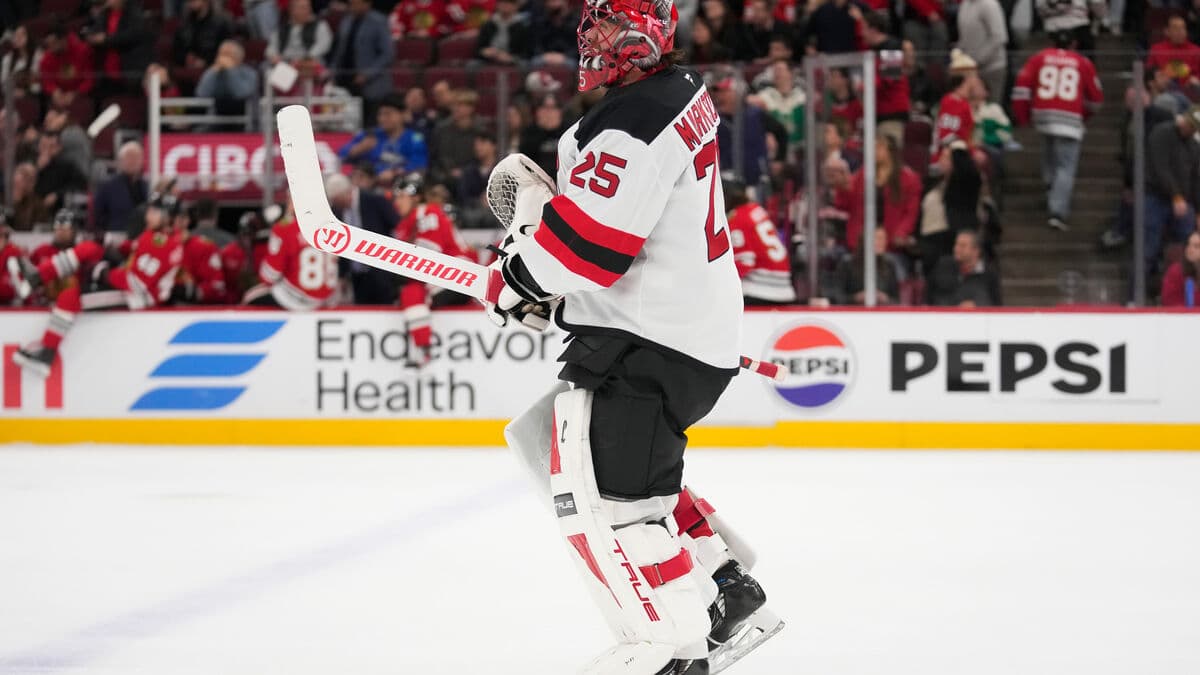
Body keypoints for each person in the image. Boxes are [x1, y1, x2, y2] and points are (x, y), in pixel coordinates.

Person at [483, 0, 781, 670]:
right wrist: (546, 282)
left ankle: (674, 643)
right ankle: (728, 584)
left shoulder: (631, 122)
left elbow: (592, 245)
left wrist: (521, 275)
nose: (591, 36)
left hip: (651, 343)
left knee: (618, 512)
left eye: (608, 25)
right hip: (676, 330)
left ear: (644, 34)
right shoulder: (674, 91)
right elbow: (626, 233)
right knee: (559, 449)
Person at [8, 198, 185, 376]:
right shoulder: (156, 236)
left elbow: (137, 284)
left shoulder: (163, 243)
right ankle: (35, 277)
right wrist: (109, 245)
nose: (148, 215)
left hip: (137, 298)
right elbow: (133, 251)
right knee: (89, 248)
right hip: (129, 285)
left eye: (154, 212)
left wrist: (104, 274)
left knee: (69, 297)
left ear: (168, 217)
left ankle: (47, 353)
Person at [1012, 30, 1103, 231]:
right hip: (1070, 118)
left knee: (1049, 155)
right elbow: (1096, 99)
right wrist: (1083, 116)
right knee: (1066, 167)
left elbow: (1021, 89)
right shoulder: (1082, 62)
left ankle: (1050, 186)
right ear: (1075, 44)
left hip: (1043, 115)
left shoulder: (1038, 58)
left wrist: (1024, 117)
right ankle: (1057, 212)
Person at [391, 173, 475, 366]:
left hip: (460, 275)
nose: (397, 202)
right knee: (411, 290)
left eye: (401, 196)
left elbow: (428, 257)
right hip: (449, 276)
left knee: (412, 292)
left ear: (416, 197)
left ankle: (422, 350)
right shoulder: (407, 223)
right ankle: (422, 348)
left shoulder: (426, 213)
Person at [243, 200, 340, 310]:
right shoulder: (334, 227)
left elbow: (270, 275)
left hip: (292, 298)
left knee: (249, 297)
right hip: (326, 300)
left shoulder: (285, 227)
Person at [1140, 109, 1200, 279]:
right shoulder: (1162, 133)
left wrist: (1198, 211)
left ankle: (1182, 293)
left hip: (1183, 202)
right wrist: (1176, 195)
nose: (1188, 128)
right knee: (1148, 248)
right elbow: (1161, 168)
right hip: (1156, 197)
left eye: (1193, 127)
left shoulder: (1194, 146)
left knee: (1188, 247)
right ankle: (1134, 299)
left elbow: (1195, 179)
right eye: (1188, 124)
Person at [324, 173, 400, 304]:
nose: (334, 204)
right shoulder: (336, 212)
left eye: (335, 200)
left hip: (381, 273)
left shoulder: (375, 200)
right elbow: (339, 245)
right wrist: (342, 275)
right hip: (357, 277)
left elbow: (398, 227)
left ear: (344, 193)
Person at [845, 135, 921, 255]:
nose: (874, 150)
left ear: (891, 151)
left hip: (891, 244)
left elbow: (911, 213)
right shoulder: (862, 174)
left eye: (879, 147)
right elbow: (845, 203)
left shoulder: (909, 179)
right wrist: (842, 186)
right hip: (860, 242)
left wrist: (900, 233)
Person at [725, 178, 796, 304]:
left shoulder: (737, 218)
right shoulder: (756, 209)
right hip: (785, 287)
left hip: (760, 289)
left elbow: (745, 261)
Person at [338, 94, 429, 185]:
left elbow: (419, 165)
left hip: (399, 185)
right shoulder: (370, 135)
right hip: (367, 185)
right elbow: (341, 154)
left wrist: (394, 173)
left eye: (388, 114)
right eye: (380, 114)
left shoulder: (414, 139)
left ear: (403, 114)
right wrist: (360, 148)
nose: (382, 119)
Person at [330, 0, 394, 126]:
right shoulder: (347, 21)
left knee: (369, 124)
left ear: (367, 4)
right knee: (346, 122)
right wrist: (333, 71)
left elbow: (387, 54)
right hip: (344, 79)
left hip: (371, 85)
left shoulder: (378, 22)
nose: (352, 6)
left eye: (356, 3)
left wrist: (367, 74)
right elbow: (339, 50)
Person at [83, 0, 153, 98]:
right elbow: (94, 30)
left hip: (129, 69)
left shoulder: (134, 13)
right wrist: (92, 36)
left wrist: (106, 39)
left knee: (129, 105)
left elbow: (131, 35)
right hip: (107, 70)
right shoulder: (105, 13)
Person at [860, 12, 911, 146]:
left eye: (864, 28)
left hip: (892, 114)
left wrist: (864, 85)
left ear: (874, 29)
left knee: (890, 155)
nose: (861, 33)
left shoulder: (891, 47)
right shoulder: (874, 50)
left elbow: (889, 77)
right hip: (880, 113)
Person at [265, 0, 333, 91]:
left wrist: (307, 57)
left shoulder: (320, 25)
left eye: (308, 7)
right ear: (292, 10)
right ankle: (283, 100)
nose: (307, 10)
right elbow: (271, 48)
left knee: (313, 67)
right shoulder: (282, 29)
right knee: (270, 69)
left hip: (308, 62)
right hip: (286, 64)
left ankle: (311, 99)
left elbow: (324, 44)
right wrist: (274, 57)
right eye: (302, 8)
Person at [831, 227, 905, 305]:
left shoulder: (889, 265)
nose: (882, 242)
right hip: (853, 313)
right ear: (865, 240)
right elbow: (837, 297)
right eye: (878, 238)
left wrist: (885, 298)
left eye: (884, 238)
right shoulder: (847, 263)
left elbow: (897, 300)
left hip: (882, 314)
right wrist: (856, 298)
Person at [927, 229, 1001, 306]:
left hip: (976, 316)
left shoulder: (989, 273)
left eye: (962, 246)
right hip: (943, 316)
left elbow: (996, 305)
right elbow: (929, 298)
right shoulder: (943, 266)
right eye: (956, 244)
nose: (956, 249)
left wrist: (978, 305)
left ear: (976, 251)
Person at [195, 40, 260, 126]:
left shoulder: (250, 73)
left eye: (228, 55)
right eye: (222, 54)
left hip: (245, 122)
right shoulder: (214, 72)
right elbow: (201, 93)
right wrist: (213, 72)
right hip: (216, 121)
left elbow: (241, 94)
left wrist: (231, 71)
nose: (224, 58)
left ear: (239, 57)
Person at [956, 0, 1008, 103]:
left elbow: (999, 37)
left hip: (991, 69)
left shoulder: (989, 5)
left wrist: (977, 60)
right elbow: (964, 36)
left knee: (990, 109)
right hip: (970, 70)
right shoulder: (965, 4)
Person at [93, 141, 148, 232]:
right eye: (129, 157)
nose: (133, 161)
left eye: (136, 157)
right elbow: (98, 214)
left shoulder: (146, 186)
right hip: (117, 234)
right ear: (120, 161)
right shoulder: (108, 186)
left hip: (142, 235)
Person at [431, 89, 484, 184]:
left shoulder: (480, 131)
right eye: (453, 105)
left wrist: (464, 171)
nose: (455, 108)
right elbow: (437, 157)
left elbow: (480, 159)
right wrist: (448, 171)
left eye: (459, 105)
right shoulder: (442, 129)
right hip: (444, 176)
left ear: (470, 108)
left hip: (471, 176)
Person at [38, 23, 93, 111]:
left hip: (81, 97)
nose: (50, 47)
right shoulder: (46, 58)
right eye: (48, 44)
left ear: (63, 40)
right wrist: (54, 91)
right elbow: (46, 81)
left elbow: (89, 79)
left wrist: (75, 93)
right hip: (58, 98)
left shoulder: (82, 51)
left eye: (54, 43)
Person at [172, 0, 234, 70]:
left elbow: (228, 52)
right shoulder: (184, 23)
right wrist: (185, 58)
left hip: (215, 71)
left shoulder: (222, 21)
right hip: (188, 71)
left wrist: (206, 62)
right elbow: (176, 50)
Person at [518, 93, 567, 179]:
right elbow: (525, 161)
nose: (549, 112)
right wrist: (544, 130)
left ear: (560, 112)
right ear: (537, 112)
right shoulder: (529, 133)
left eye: (553, 108)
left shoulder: (568, 132)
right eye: (545, 108)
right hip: (537, 182)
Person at [1147, 15, 1200, 89]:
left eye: (1183, 28)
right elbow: (1149, 73)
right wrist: (1156, 77)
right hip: (1163, 90)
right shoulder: (1156, 49)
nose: (1180, 31)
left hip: (1189, 92)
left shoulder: (1196, 51)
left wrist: (1195, 80)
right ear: (1167, 31)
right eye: (1176, 28)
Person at [475, 0, 531, 64]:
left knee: (524, 64)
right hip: (488, 59)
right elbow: (477, 49)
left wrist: (511, 58)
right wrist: (485, 52)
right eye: (502, 2)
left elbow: (526, 53)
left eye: (509, 3)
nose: (505, 5)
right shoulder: (488, 24)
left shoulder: (522, 27)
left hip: (513, 61)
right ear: (497, 5)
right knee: (473, 65)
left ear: (516, 6)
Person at [530, 0, 579, 66]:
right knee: (534, 62)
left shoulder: (576, 22)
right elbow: (536, 45)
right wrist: (546, 56)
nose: (553, 4)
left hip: (569, 58)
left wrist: (563, 57)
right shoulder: (540, 22)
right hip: (545, 57)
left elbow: (577, 48)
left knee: (573, 64)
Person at [1161, 230, 1200, 307]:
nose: (1190, 249)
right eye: (1188, 245)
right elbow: (1170, 301)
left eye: (1196, 246)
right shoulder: (1176, 271)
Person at [2, 24, 42, 99]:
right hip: (11, 98)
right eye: (16, 35)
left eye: (22, 34)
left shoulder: (38, 56)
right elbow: (3, 82)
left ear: (29, 37)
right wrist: (13, 91)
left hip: (32, 97)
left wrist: (26, 92)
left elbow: (38, 84)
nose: (18, 38)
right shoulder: (7, 59)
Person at [8, 162, 47, 231]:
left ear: (31, 183)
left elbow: (37, 230)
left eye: (19, 184)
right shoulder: (5, 200)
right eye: (15, 184)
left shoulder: (38, 205)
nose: (16, 187)